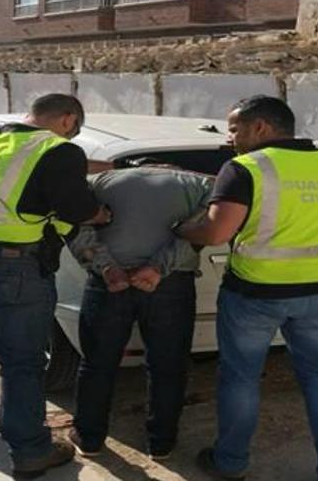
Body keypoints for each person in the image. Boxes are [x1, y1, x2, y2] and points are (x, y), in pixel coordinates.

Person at [177, 96, 318, 481]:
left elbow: (216, 232)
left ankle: (230, 463)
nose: (231, 137)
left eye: (235, 128)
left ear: (261, 127)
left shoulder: (245, 168)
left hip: (257, 294)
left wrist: (181, 229)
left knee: (241, 378)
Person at [0, 94, 111, 478]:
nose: (73, 137)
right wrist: (102, 213)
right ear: (67, 119)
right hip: (12, 263)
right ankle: (31, 449)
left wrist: (104, 167)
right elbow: (77, 209)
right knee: (22, 358)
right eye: (75, 130)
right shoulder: (57, 149)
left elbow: (21, 174)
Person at [65, 166, 213, 461]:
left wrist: (107, 267)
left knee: (97, 363)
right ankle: (161, 444)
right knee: (168, 366)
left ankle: (89, 438)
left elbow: (74, 221)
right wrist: (159, 267)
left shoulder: (99, 181)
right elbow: (207, 227)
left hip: (109, 284)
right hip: (169, 285)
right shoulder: (200, 184)